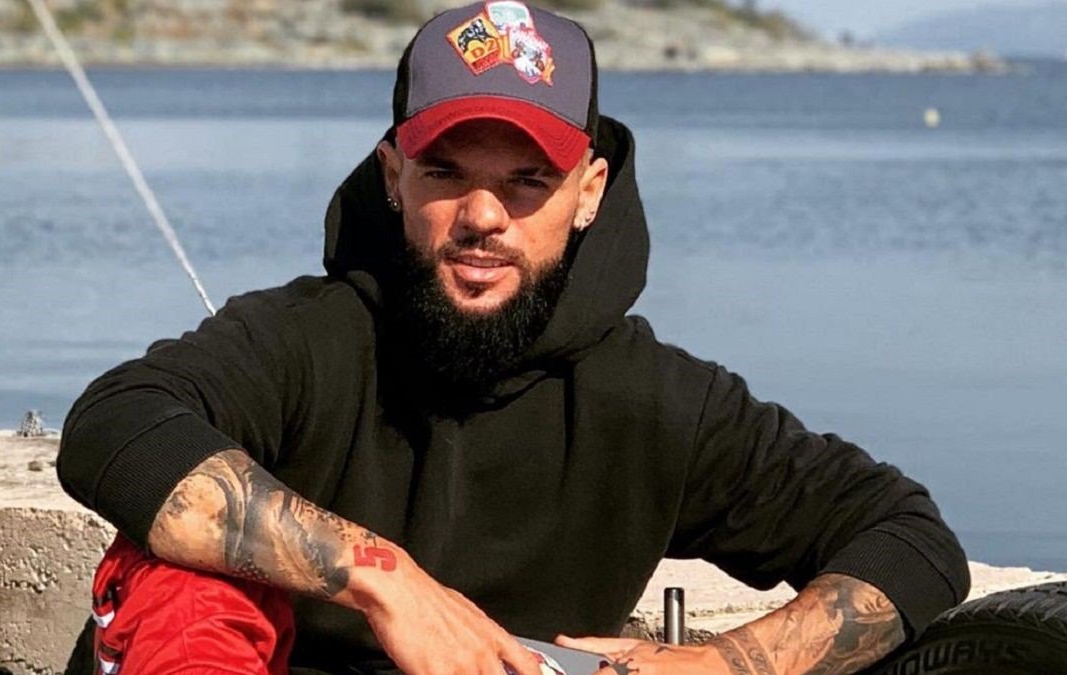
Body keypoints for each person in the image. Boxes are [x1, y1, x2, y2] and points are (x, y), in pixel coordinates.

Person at [57, 3, 969, 674]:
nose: (483, 215)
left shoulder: (658, 399)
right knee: (175, 569)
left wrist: (731, 660)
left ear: (590, 192)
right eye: (445, 172)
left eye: (529, 180)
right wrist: (384, 578)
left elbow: (911, 538)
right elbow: (117, 425)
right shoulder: (308, 339)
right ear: (393, 176)